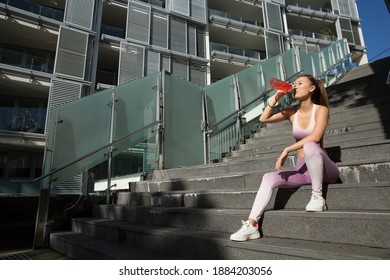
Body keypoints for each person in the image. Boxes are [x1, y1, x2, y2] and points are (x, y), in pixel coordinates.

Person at [230, 74, 340, 242]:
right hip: (303, 170)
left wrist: (288, 149)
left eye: (300, 83)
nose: (295, 86)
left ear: (312, 88)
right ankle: (252, 225)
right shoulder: (291, 113)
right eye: (294, 83)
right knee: (268, 177)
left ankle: (317, 197)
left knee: (310, 145)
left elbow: (316, 137)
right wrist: (276, 97)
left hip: (326, 169)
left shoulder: (321, 110)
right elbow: (263, 118)